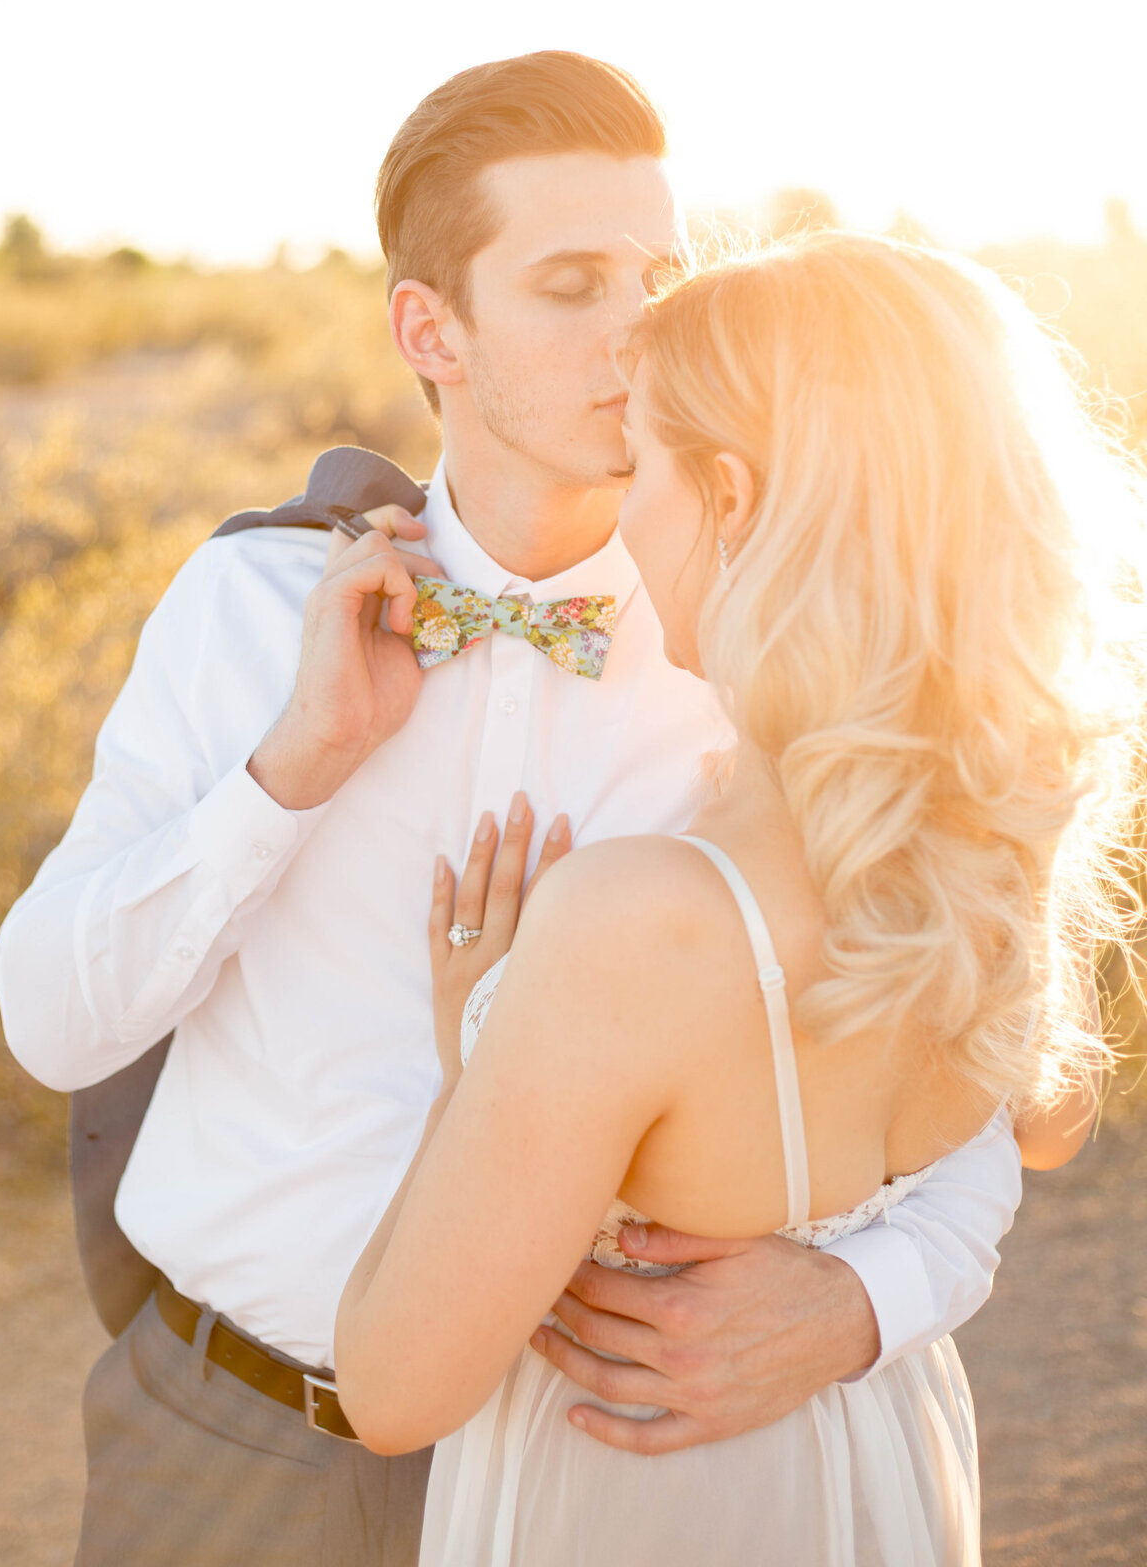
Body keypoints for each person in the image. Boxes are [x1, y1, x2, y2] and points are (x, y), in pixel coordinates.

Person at [0, 55, 1020, 1567]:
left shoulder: (761, 657)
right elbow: (51, 1026)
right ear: (433, 329)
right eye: (570, 283)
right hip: (217, 1444)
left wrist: (876, 1296)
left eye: (661, 280)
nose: (638, 332)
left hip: (584, 1475)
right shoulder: (253, 604)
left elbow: (963, 1053)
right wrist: (289, 772)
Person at [333, 230, 1144, 1564]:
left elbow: (391, 1387)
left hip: (648, 1500)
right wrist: (866, 1292)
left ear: (733, 496)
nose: (620, 508)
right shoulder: (982, 841)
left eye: (641, 460)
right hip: (883, 1459)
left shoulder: (634, 921)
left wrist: (473, 1037)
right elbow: (1041, 1120)